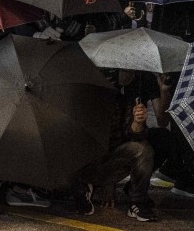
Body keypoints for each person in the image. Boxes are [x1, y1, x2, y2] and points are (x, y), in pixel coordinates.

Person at [70, 69, 175, 222]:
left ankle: (136, 195)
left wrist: (164, 92)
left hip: (123, 143)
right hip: (97, 148)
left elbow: (162, 121)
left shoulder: (143, 77)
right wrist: (109, 184)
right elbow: (100, 131)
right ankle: (86, 184)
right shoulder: (104, 77)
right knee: (140, 148)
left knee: (159, 140)